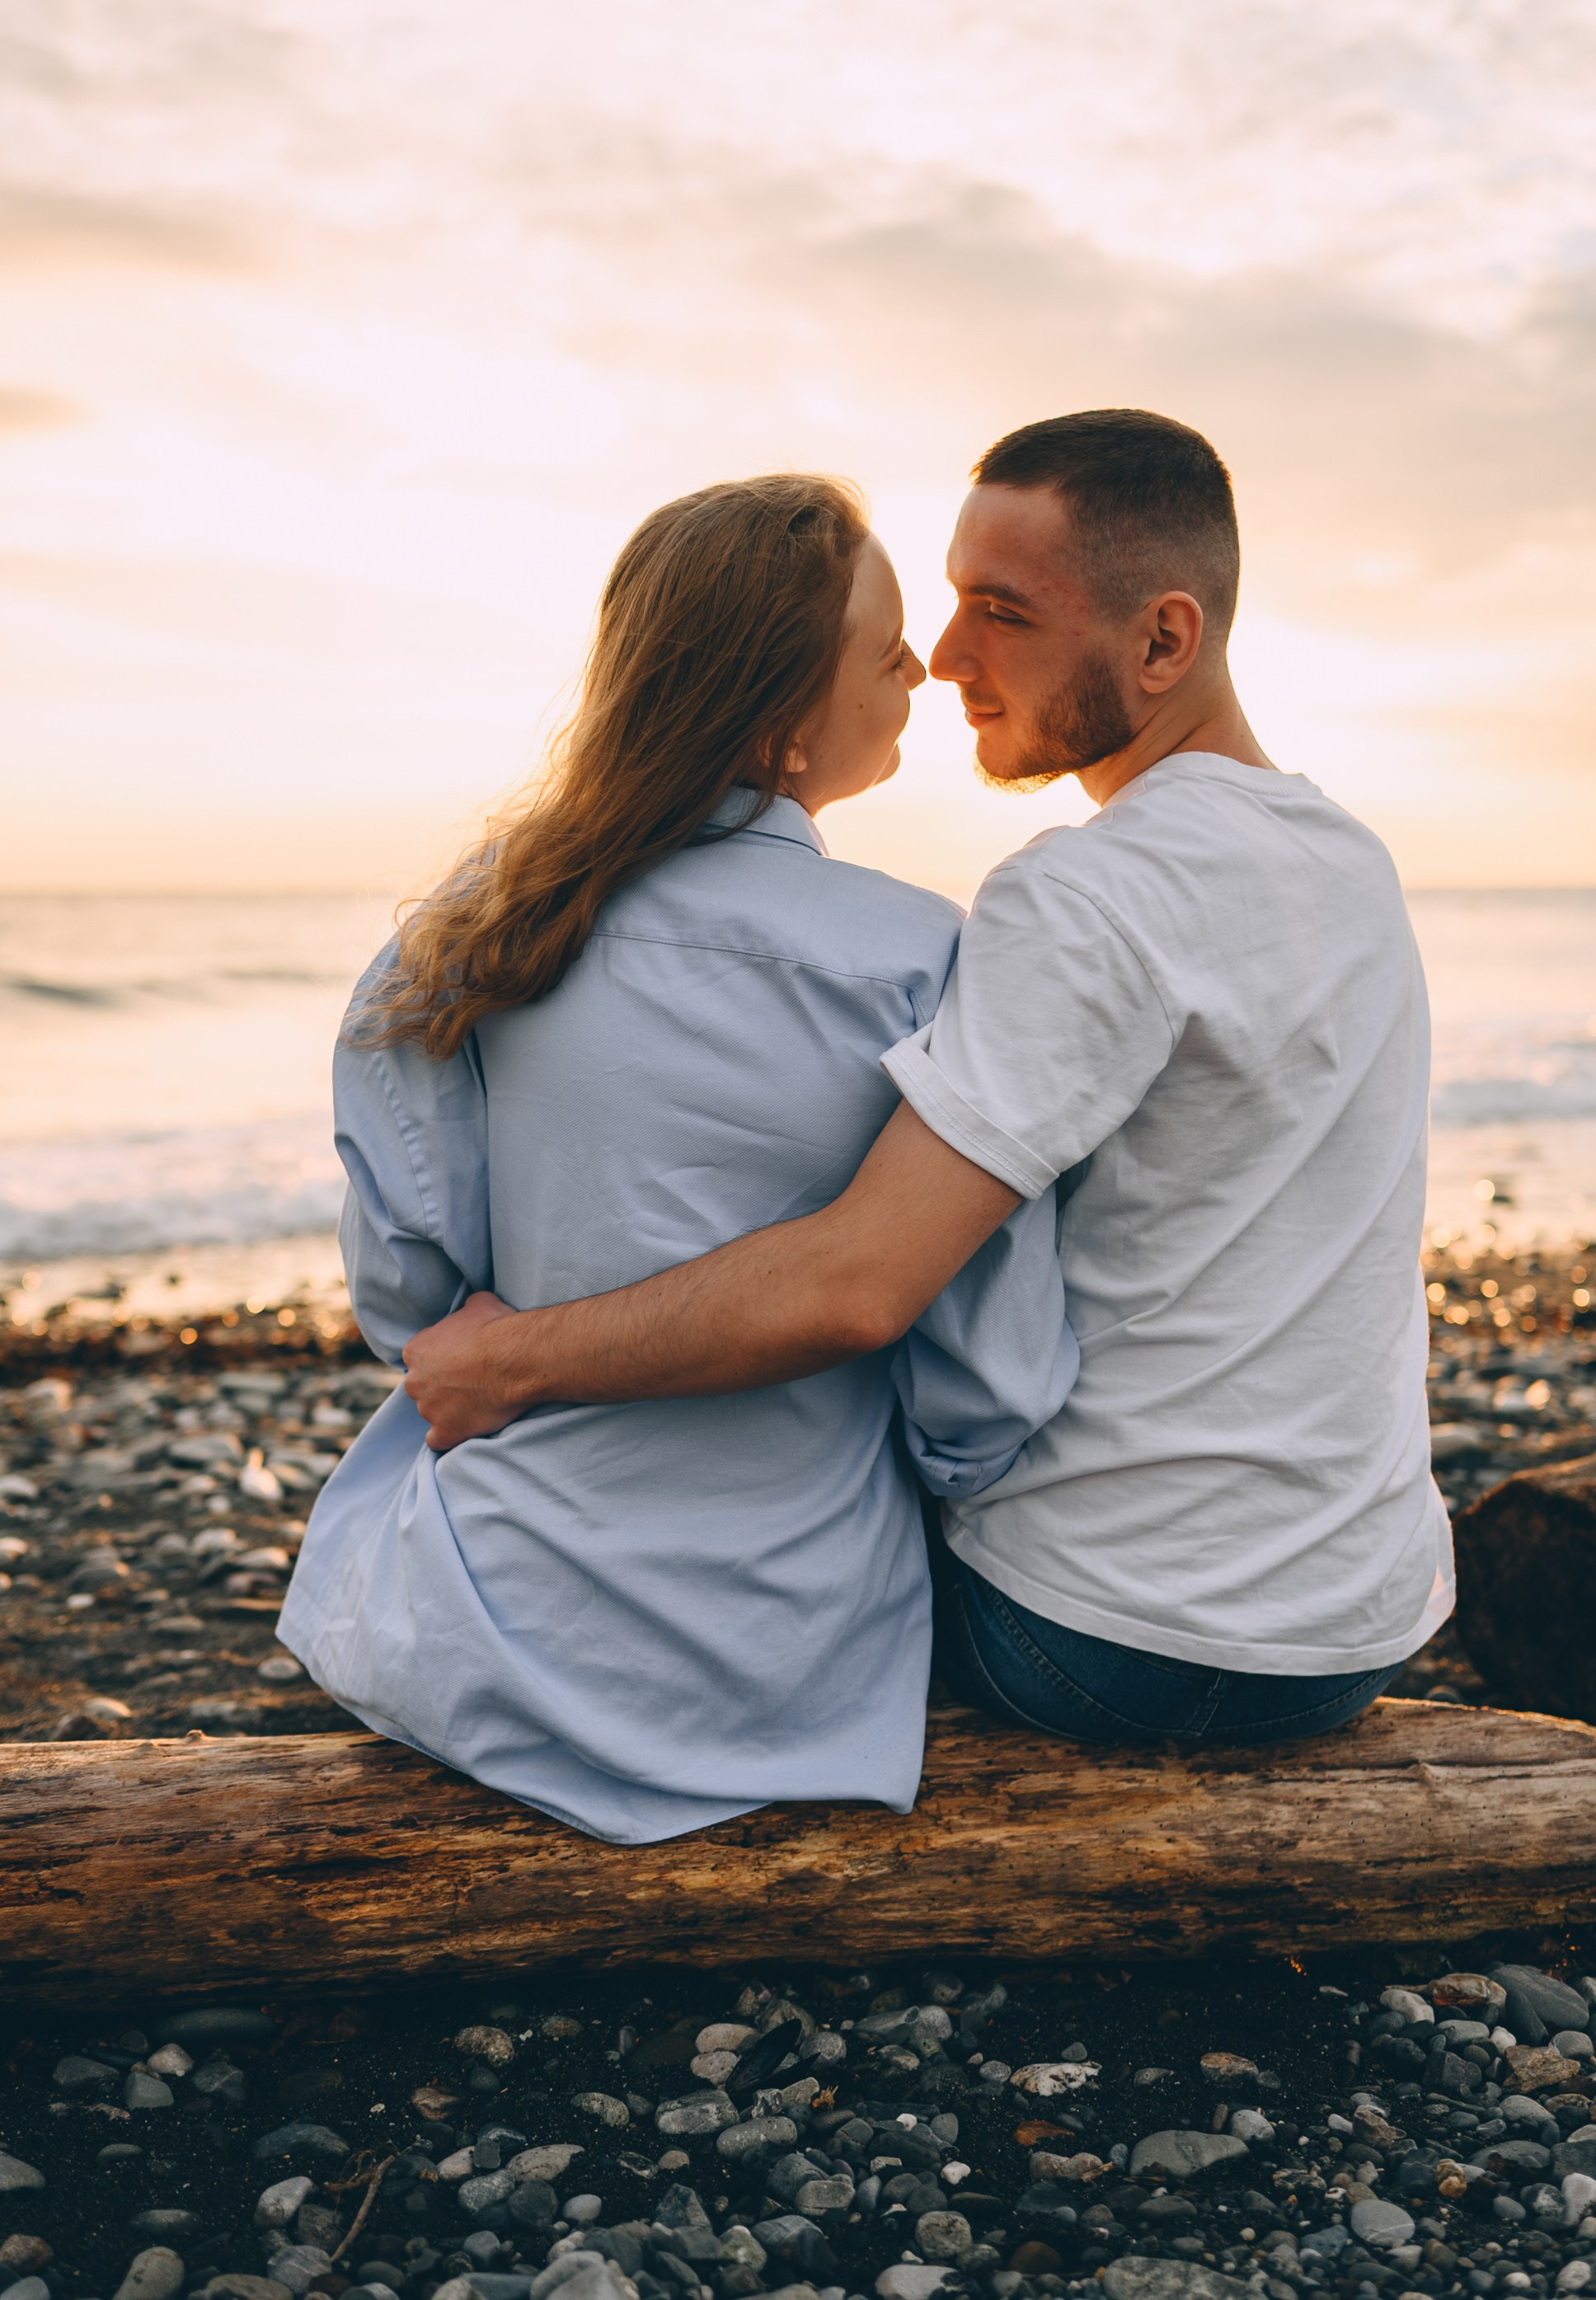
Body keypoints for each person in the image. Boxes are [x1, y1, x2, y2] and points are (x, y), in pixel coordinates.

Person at [401, 409, 1455, 1749]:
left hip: (1103, 1643)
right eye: (952, 605)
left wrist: (510, 1364)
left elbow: (857, 1284)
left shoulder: (1090, 894)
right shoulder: (1350, 861)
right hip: (1354, 1626)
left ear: (1164, 640)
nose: (947, 657)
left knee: (809, 1487)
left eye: (1001, 612)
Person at [277, 473, 1073, 1844]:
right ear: (776, 717)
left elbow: (413, 1307)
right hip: (794, 1661)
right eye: (884, 653)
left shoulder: (474, 932)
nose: (919, 675)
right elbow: (985, 1391)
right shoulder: (925, 962)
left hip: (488, 1622)